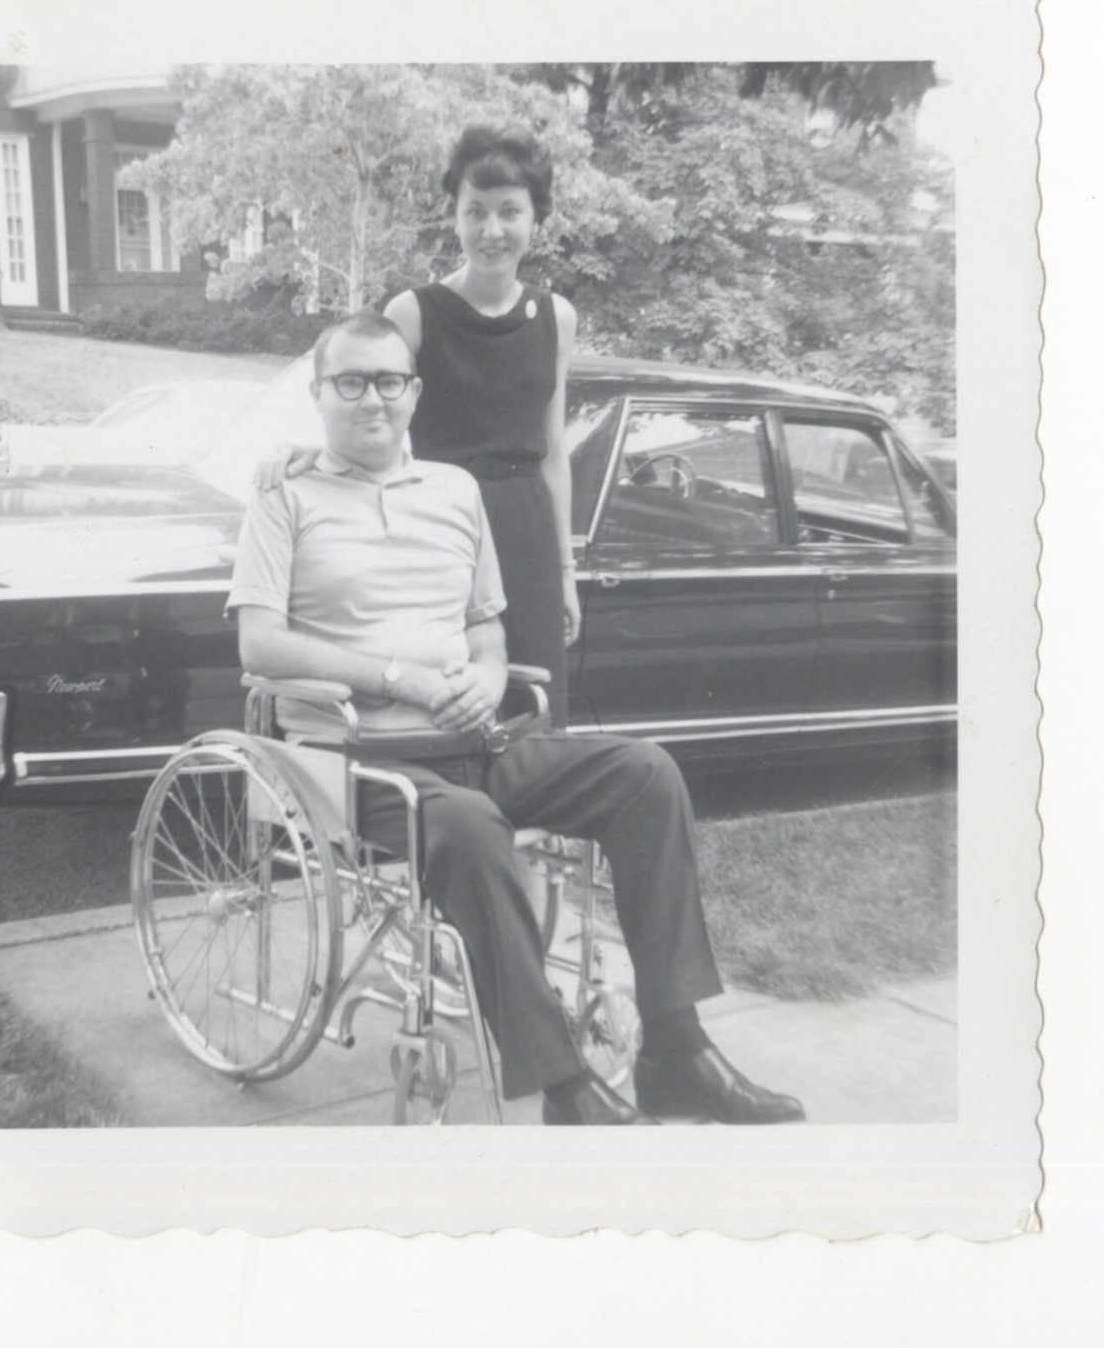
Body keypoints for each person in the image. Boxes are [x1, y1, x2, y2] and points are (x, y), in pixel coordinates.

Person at [227, 311, 805, 1126]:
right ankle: (564, 1087)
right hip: (356, 760)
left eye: (388, 381)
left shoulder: (454, 492)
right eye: (349, 382)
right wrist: (404, 679)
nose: (371, 400)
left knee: (647, 773)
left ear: (414, 392)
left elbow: (485, 628)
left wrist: (488, 674)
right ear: (318, 394)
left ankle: (676, 1048)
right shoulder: (284, 496)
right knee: (467, 824)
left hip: (477, 738)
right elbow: (260, 642)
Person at [258, 123, 579, 726]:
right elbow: (362, 388)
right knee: (453, 700)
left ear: (536, 217)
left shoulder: (556, 317)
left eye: (510, 211)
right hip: (437, 527)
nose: (492, 230)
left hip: (526, 531)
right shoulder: (415, 311)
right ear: (454, 217)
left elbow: (554, 452)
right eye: (474, 211)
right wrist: (302, 450)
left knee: (532, 712)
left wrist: (565, 572)